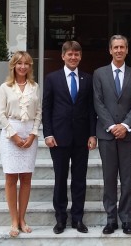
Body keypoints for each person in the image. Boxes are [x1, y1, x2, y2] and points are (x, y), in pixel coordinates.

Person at [42, 40, 97, 234]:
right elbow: (46, 108)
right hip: (59, 138)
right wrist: (47, 133)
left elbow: (91, 109)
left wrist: (93, 134)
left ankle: (78, 219)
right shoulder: (52, 78)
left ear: (80, 56)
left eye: (76, 54)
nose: (73, 57)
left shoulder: (87, 79)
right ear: (63, 56)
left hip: (82, 139)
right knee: (60, 179)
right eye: (69, 54)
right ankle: (60, 219)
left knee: (79, 180)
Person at [93, 34, 131, 235]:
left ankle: (126, 219)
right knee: (109, 179)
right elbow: (98, 102)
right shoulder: (99, 74)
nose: (119, 50)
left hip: (128, 135)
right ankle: (111, 219)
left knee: (127, 179)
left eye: (123, 47)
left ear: (127, 50)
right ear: (110, 50)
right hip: (107, 135)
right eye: (116, 47)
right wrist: (112, 126)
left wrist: (125, 125)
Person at [0, 51, 42, 238]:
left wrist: (33, 134)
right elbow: (0, 114)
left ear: (30, 67)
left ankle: (22, 219)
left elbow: (39, 112)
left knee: (26, 178)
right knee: (10, 178)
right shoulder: (5, 87)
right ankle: (13, 220)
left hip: (29, 131)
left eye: (26, 64)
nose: (23, 67)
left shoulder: (35, 86)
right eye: (19, 63)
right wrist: (13, 135)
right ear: (13, 66)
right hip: (11, 132)